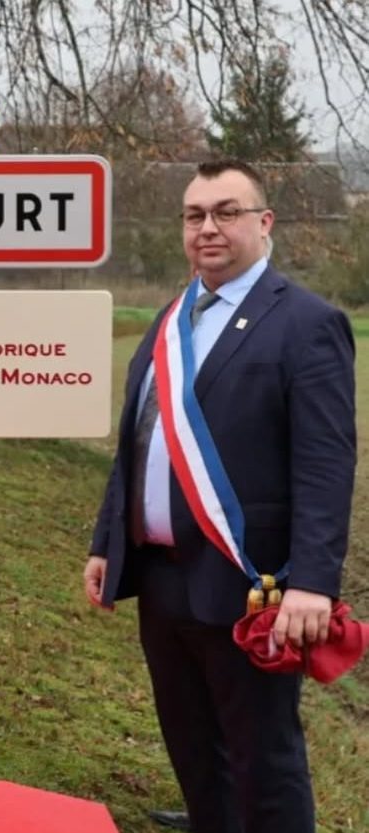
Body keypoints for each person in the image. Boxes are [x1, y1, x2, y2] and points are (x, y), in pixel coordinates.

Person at [83, 158, 355, 833]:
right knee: (193, 746)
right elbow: (139, 440)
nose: (208, 227)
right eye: (194, 215)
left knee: (263, 757)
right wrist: (106, 540)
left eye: (226, 212)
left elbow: (324, 464)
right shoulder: (170, 319)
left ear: (263, 223)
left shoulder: (306, 322)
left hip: (251, 580)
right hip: (162, 576)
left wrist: (313, 583)